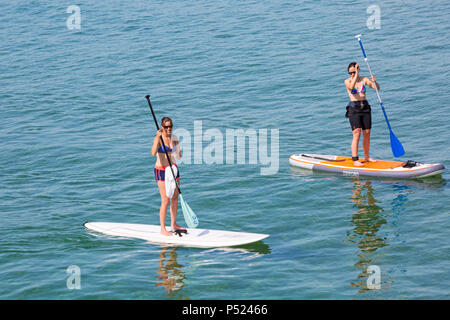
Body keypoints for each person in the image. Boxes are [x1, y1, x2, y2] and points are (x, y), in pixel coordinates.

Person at [151, 117, 185, 236]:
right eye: (166, 127)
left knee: (175, 197)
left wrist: (176, 148)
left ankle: (174, 224)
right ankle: (162, 228)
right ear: (162, 127)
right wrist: (157, 138)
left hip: (173, 169)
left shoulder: (174, 138)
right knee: (165, 200)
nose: (169, 129)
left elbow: (179, 156)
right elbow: (153, 153)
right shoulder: (158, 138)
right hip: (161, 170)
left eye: (170, 126)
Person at [344, 62, 380, 166]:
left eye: (353, 72)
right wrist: (356, 75)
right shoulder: (347, 81)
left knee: (367, 133)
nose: (352, 74)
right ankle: (355, 159)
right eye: (350, 73)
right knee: (356, 133)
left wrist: (375, 82)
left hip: (365, 108)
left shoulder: (364, 79)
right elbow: (351, 87)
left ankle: (367, 157)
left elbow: (377, 88)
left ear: (358, 70)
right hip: (354, 109)